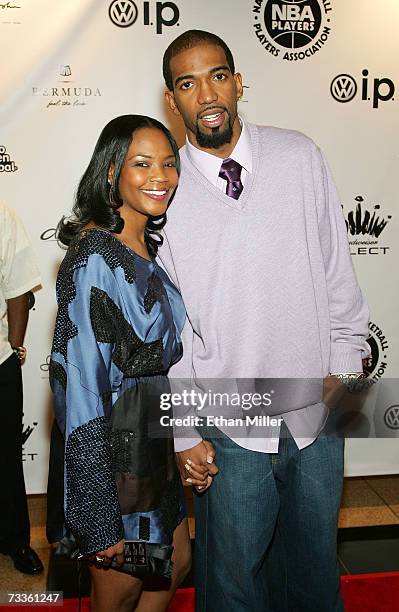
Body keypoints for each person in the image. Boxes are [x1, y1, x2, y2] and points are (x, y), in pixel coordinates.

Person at [158, 30, 370, 611]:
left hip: (313, 412)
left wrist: (344, 369)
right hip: (227, 420)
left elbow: (336, 268)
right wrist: (184, 431)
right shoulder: (164, 190)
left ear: (238, 80)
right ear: (172, 100)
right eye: (188, 82)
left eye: (218, 75)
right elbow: (172, 333)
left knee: (314, 579)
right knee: (233, 587)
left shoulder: (299, 155)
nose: (207, 93)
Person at [49, 115, 203, 612]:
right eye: (142, 164)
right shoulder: (93, 255)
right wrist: (98, 513)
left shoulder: (142, 242)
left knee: (173, 564)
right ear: (112, 169)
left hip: (150, 434)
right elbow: (80, 388)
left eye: (168, 163)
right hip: (117, 449)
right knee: (123, 588)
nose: (161, 175)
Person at [0, 201, 43, 575]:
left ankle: (15, 541)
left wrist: (14, 348)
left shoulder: (2, 214)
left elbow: (17, 288)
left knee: (6, 457)